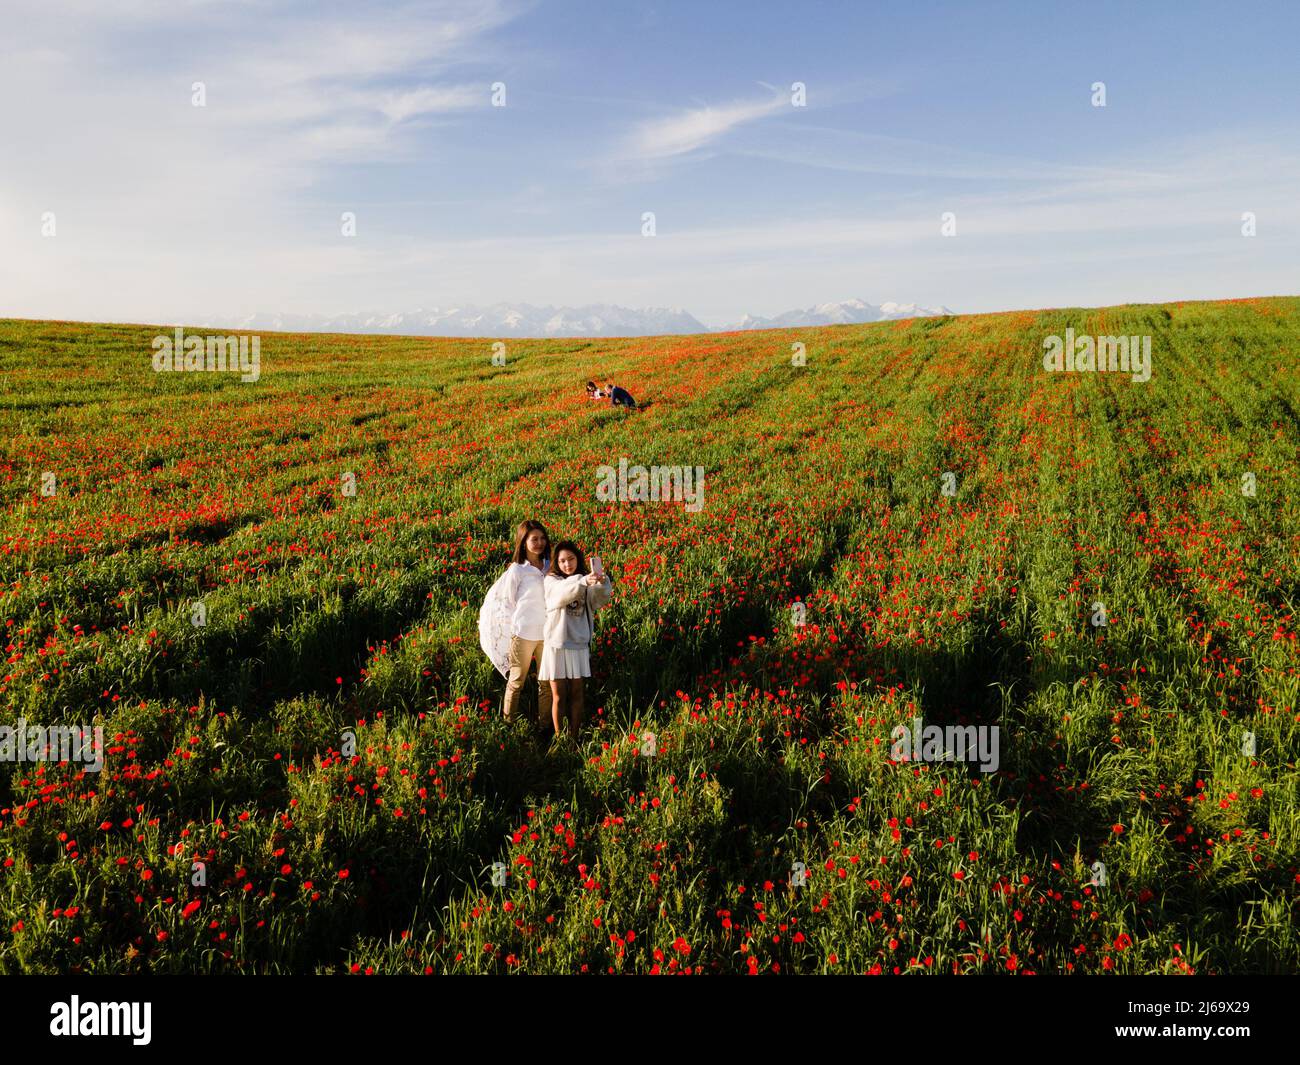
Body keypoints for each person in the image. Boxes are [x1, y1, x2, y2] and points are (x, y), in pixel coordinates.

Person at [539, 541, 611, 741]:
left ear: (577, 559)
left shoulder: (585, 579)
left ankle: (573, 737)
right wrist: (582, 582)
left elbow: (598, 601)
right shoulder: (551, 580)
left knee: (577, 694)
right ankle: (559, 737)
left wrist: (601, 583)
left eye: (571, 559)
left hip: (578, 644)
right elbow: (559, 596)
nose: (567, 564)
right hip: (556, 645)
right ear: (556, 562)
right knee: (559, 696)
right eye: (562, 560)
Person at [495, 519, 555, 731]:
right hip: (522, 634)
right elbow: (507, 603)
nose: (539, 542)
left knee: (546, 683)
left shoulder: (551, 565)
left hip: (547, 634)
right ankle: (508, 725)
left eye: (542, 538)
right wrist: (511, 632)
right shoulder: (518, 570)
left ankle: (544, 726)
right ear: (523, 542)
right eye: (533, 539)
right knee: (516, 681)